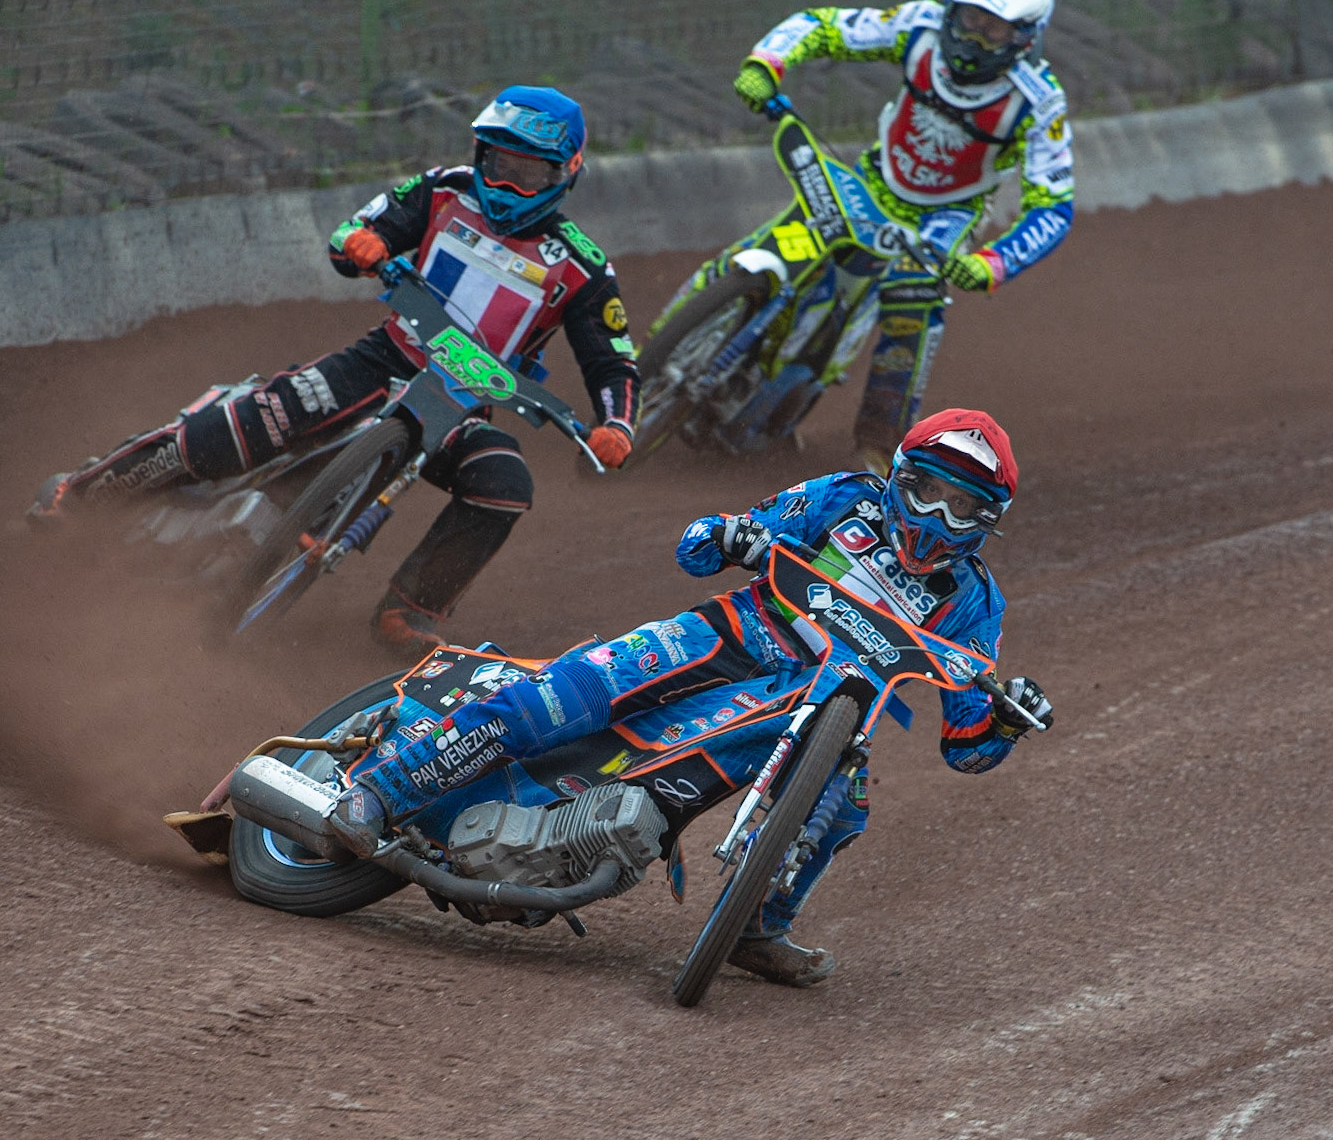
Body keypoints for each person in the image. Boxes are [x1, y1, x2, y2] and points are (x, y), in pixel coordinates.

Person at [330, 407, 1055, 988]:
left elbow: (965, 743)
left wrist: (1006, 719)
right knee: (563, 697)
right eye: (930, 492)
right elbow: (698, 546)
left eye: (965, 508)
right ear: (901, 477)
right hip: (730, 634)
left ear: (989, 520)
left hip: (814, 708)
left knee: (846, 801)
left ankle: (754, 928)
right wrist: (733, 535)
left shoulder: (972, 599)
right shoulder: (844, 500)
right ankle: (380, 788)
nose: (940, 518)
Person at [29, 87, 640, 654]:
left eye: (528, 171)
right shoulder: (443, 189)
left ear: (566, 171)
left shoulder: (583, 268)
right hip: (383, 359)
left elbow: (611, 358)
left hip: (461, 405)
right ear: (479, 153)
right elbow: (355, 231)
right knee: (244, 428)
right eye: (498, 162)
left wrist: (616, 424)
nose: (507, 180)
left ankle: (411, 611)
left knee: (505, 486)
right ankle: (81, 495)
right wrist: (362, 243)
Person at [715, 0, 1073, 473]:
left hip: (945, 217)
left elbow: (1053, 206)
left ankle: (878, 449)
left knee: (913, 302)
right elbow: (825, 25)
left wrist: (988, 265)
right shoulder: (917, 28)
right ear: (951, 8)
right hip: (873, 181)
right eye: (971, 20)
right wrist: (767, 62)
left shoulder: (1039, 102)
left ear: (1024, 35)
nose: (975, 38)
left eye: (993, 31)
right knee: (784, 241)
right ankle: (667, 347)